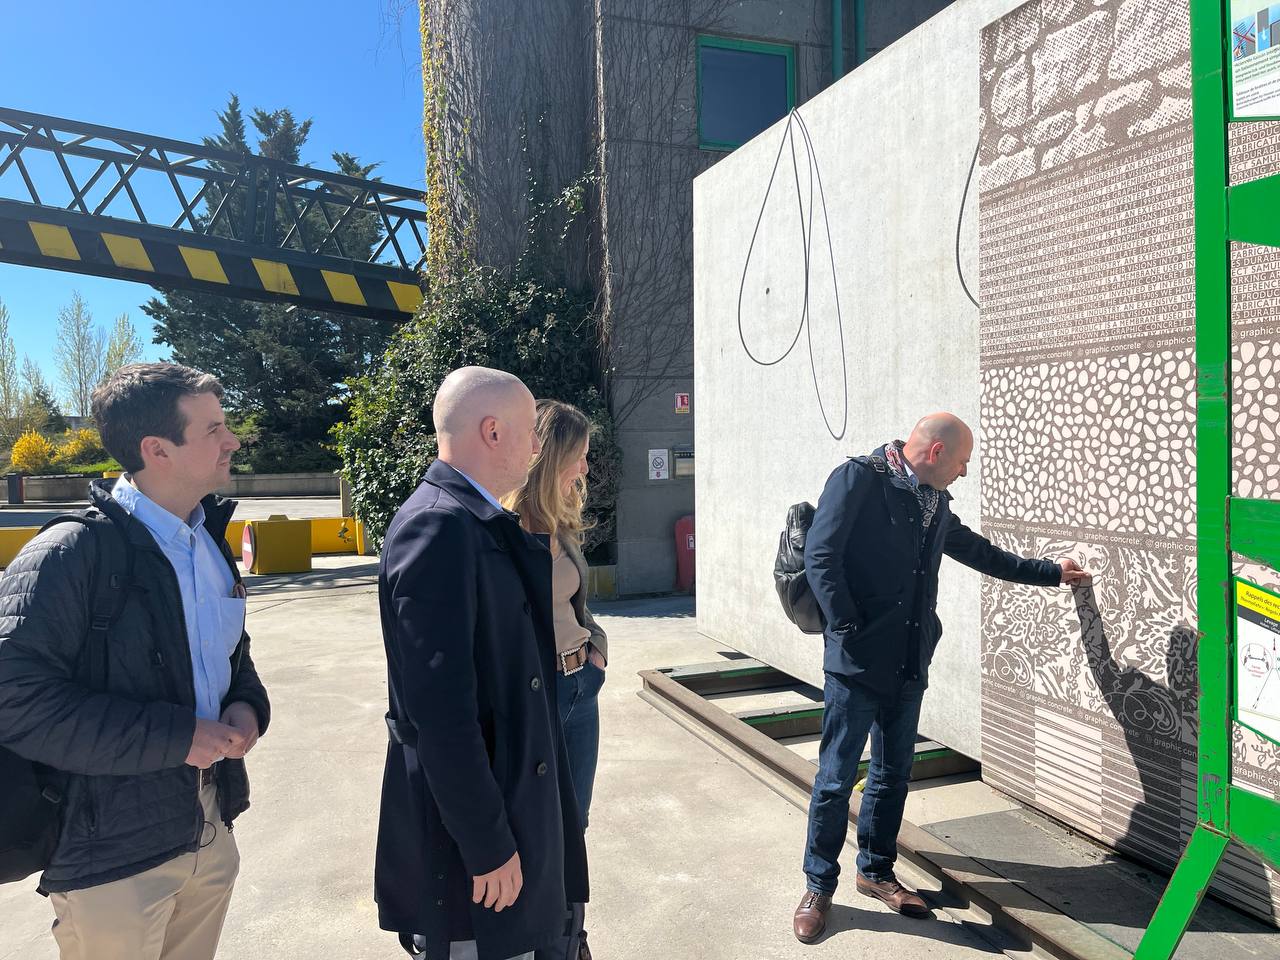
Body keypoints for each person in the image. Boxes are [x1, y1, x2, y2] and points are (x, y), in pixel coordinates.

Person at [0, 362, 270, 960]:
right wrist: (176, 736)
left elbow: (231, 650)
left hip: (208, 829)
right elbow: (14, 701)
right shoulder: (70, 553)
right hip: (111, 860)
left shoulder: (207, 540)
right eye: (213, 429)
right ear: (157, 450)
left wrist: (248, 704)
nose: (232, 440)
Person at [793, 413, 1087, 944]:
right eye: (962, 462)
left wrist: (1048, 572)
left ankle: (875, 871)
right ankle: (818, 886)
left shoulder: (933, 502)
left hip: (909, 660)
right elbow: (821, 554)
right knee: (836, 779)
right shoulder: (859, 479)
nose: (964, 472)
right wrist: (848, 627)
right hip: (856, 663)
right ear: (935, 454)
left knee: (892, 774)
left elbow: (977, 552)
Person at [375, 367, 588, 960]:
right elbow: (441, 715)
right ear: (493, 431)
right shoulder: (439, 526)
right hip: (479, 841)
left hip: (511, 800)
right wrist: (487, 843)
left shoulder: (474, 518)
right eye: (531, 431)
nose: (539, 447)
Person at [503, 400, 607, 960]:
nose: (586, 468)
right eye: (580, 455)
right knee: (535, 825)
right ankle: (538, 935)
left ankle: (569, 935)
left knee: (575, 822)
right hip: (534, 695)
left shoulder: (561, 520)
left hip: (580, 689)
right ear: (551, 455)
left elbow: (576, 604)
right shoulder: (499, 527)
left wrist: (597, 651)